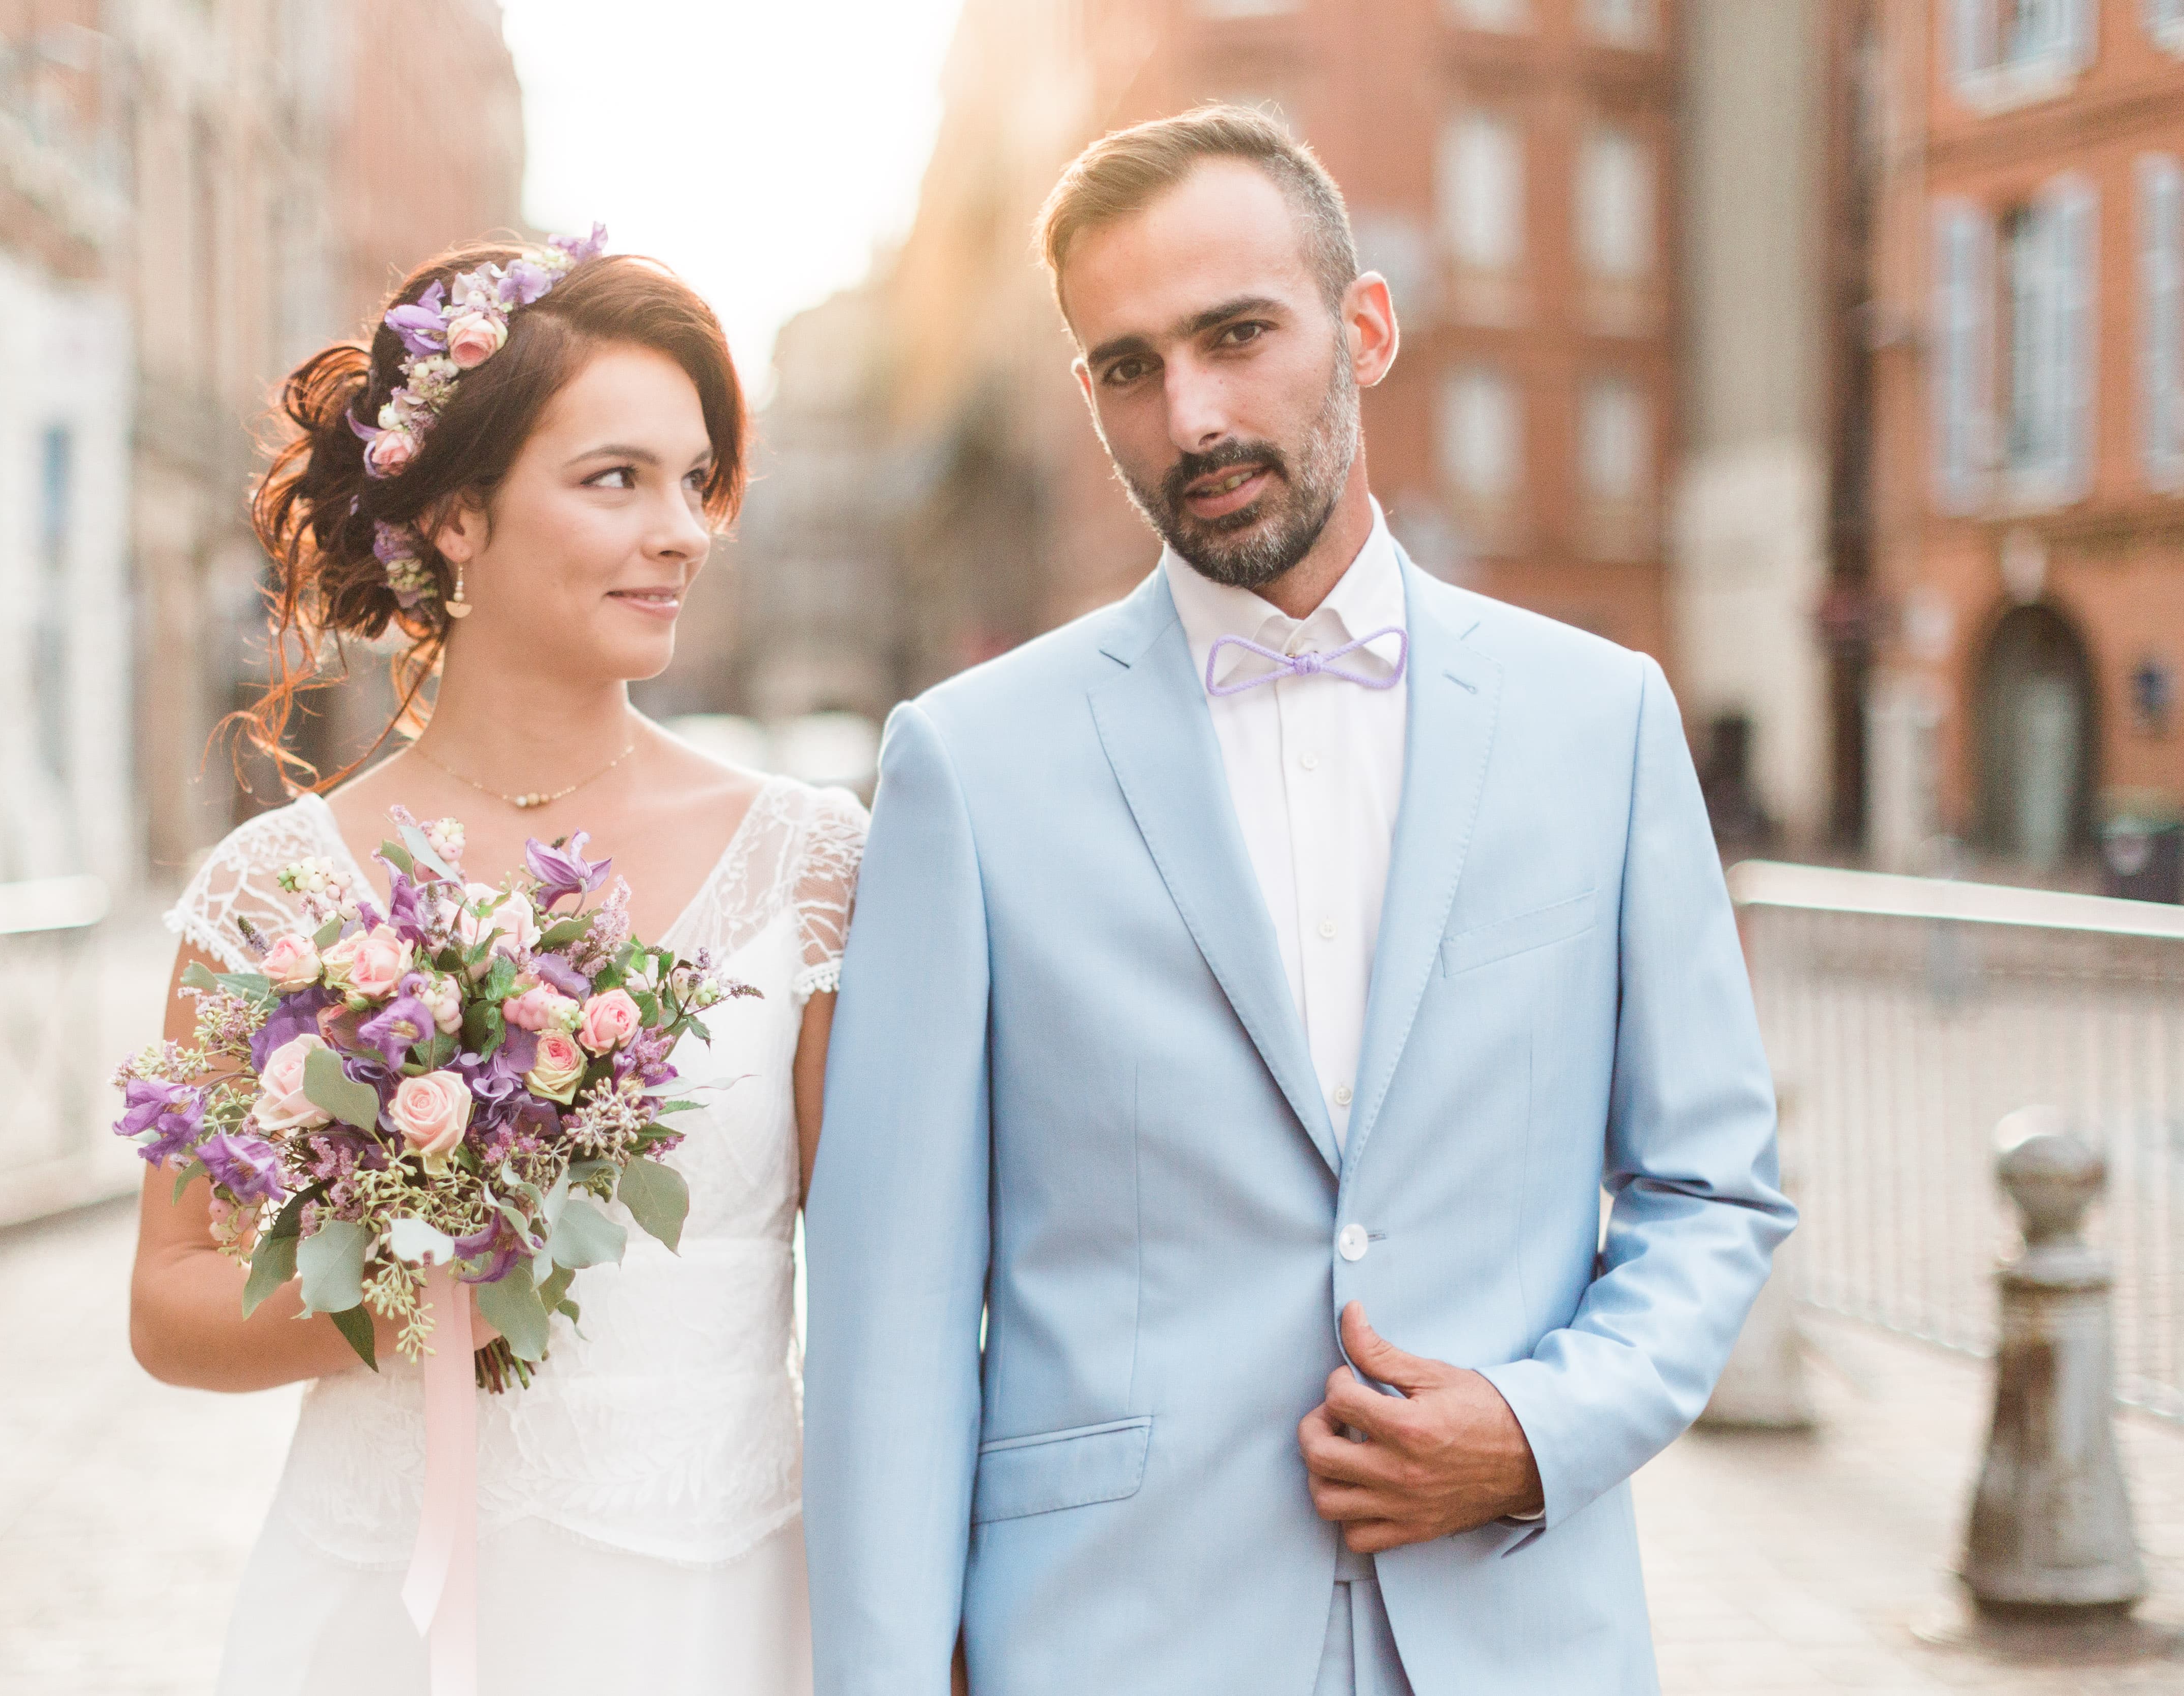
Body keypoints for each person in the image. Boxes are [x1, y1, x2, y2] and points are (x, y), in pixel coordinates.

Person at [805, 106, 1794, 1695]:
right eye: (1128, 367)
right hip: (1107, 1642)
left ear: (1365, 327)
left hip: (1513, 1633)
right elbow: (887, 1308)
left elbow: (1712, 1188)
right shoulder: (965, 766)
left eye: (1236, 335)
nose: (1190, 414)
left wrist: (1537, 1427)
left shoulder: (1598, 719)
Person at [131, 237, 859, 1694]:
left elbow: (880, 1284)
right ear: (458, 515)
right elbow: (170, 1301)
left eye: (693, 479)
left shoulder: (809, 861)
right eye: (615, 479)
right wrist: (408, 1277)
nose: (681, 532)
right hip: (378, 1621)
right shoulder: (276, 889)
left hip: (712, 1604)